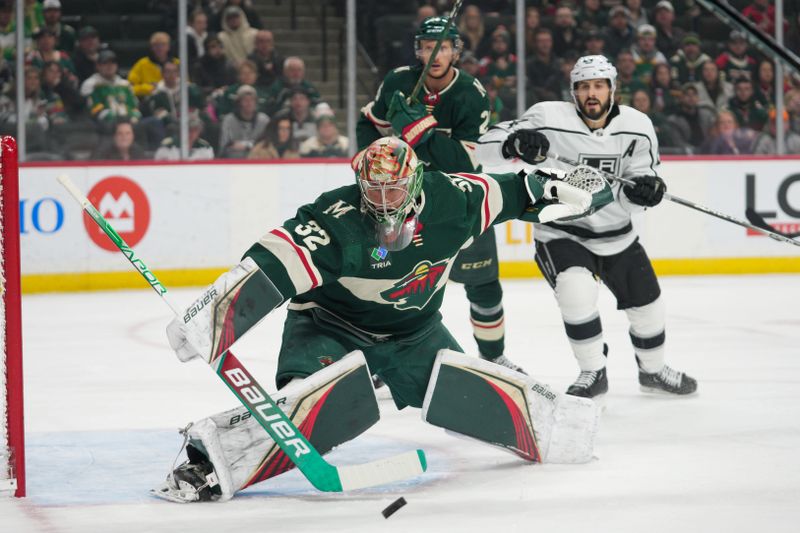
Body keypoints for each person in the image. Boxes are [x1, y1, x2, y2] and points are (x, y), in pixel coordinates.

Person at [155, 136, 604, 503]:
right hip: (328, 324)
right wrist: (212, 315)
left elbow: (520, 190)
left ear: (417, 182)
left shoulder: (455, 201)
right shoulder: (336, 220)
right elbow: (270, 265)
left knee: (469, 393)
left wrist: (569, 188)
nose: (384, 201)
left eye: (394, 189)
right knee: (312, 406)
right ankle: (207, 464)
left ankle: (562, 428)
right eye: (374, 189)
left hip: (415, 334)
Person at [477, 55, 698, 398]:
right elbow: (486, 147)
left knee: (649, 309)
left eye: (598, 86)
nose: (591, 94)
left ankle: (653, 372)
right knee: (576, 293)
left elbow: (640, 184)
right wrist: (516, 143)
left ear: (613, 89)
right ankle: (593, 371)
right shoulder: (548, 116)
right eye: (583, 87)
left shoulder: (638, 126)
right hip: (562, 232)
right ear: (573, 92)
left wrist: (645, 191)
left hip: (618, 235)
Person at [356, 16, 515, 371]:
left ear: (455, 52)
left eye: (442, 47)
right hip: (401, 202)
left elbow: (467, 162)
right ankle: (382, 361)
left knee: (483, 283)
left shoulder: (470, 94)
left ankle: (494, 357)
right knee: (386, 279)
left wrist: (423, 132)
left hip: (459, 200)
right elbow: (369, 122)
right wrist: (367, 156)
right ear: (418, 50)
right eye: (428, 47)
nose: (435, 55)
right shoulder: (399, 81)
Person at [218, 83, 269, 158]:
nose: (249, 103)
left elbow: (267, 145)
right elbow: (224, 146)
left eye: (252, 100)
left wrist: (246, 145)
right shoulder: (228, 120)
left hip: (257, 162)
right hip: (233, 163)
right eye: (245, 100)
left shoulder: (264, 120)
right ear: (239, 102)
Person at [128, 32, 179, 98]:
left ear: (168, 47)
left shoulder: (177, 63)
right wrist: (149, 88)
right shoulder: (142, 63)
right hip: (149, 100)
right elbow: (130, 87)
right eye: (156, 45)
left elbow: (186, 85)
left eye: (163, 45)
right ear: (152, 47)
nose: (160, 48)